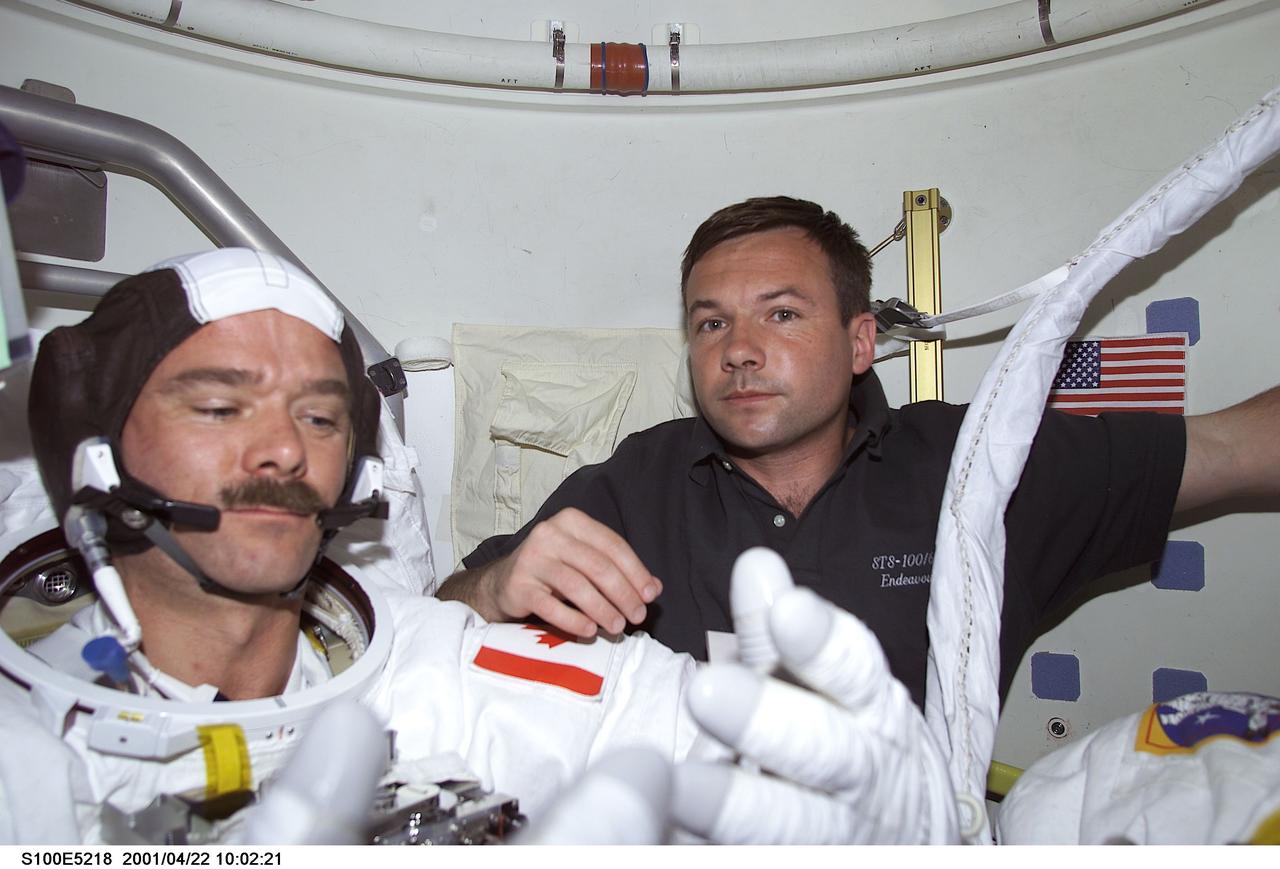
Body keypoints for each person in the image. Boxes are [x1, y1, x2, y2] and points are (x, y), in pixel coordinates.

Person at [0, 248, 959, 845]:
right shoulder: (24, 747)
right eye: (218, 405)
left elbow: (722, 748)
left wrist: (894, 802)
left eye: (321, 416)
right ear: (94, 442)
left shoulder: (440, 670)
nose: (285, 447)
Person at [439, 195, 1280, 709]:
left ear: (860, 342)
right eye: (710, 322)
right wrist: (497, 586)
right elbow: (442, 619)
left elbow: (1239, 445)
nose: (737, 348)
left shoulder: (974, 466)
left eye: (781, 313)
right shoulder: (637, 483)